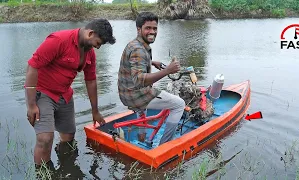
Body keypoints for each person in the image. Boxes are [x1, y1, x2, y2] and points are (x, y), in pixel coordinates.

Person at [24, 18, 116, 171]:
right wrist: (31, 105)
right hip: (43, 92)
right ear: (90, 33)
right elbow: (32, 66)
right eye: (98, 43)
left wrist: (95, 111)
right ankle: (44, 173)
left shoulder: (89, 53)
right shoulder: (59, 40)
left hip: (64, 94)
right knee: (45, 138)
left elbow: (91, 80)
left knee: (68, 138)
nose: (98, 47)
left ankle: (66, 170)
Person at [117, 12, 185, 145]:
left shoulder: (135, 44)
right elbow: (139, 80)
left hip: (126, 93)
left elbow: (134, 62)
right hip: (135, 95)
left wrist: (152, 62)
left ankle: (142, 137)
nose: (152, 32)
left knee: (144, 107)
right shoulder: (139, 50)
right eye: (148, 28)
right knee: (179, 104)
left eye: (155, 28)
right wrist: (168, 70)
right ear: (138, 29)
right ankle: (164, 145)